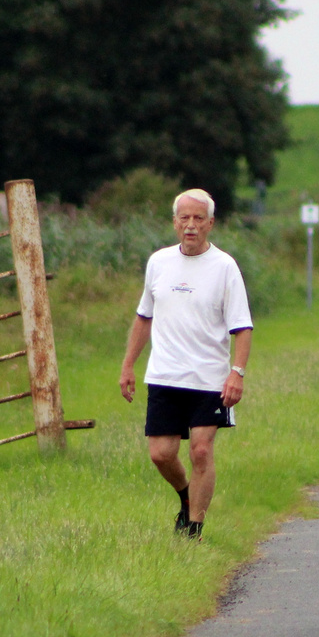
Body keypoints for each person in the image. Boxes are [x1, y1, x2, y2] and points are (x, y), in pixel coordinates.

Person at [119, 188, 253, 539]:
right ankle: (184, 495)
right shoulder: (158, 263)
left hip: (209, 380)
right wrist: (128, 365)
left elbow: (242, 327)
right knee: (162, 454)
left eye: (198, 219)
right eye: (184, 218)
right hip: (164, 375)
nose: (190, 226)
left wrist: (236, 373)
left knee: (201, 450)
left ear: (210, 223)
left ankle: (194, 528)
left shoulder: (224, 267)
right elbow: (143, 317)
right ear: (174, 222)